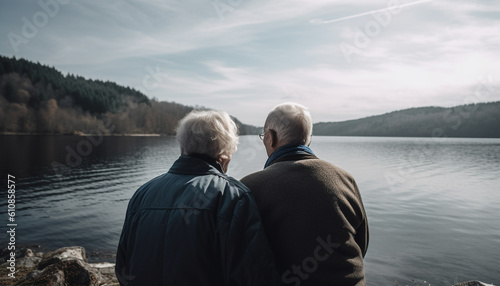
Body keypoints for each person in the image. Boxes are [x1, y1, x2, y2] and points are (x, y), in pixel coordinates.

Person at [116, 110, 281, 286]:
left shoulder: (142, 194)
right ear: (224, 154)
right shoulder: (232, 197)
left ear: (183, 146)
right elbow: (255, 276)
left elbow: (123, 266)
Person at [241, 103, 369, 286]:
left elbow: (241, 257)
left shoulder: (250, 187)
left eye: (263, 136)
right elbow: (361, 243)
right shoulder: (345, 179)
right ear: (308, 139)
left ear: (271, 138)